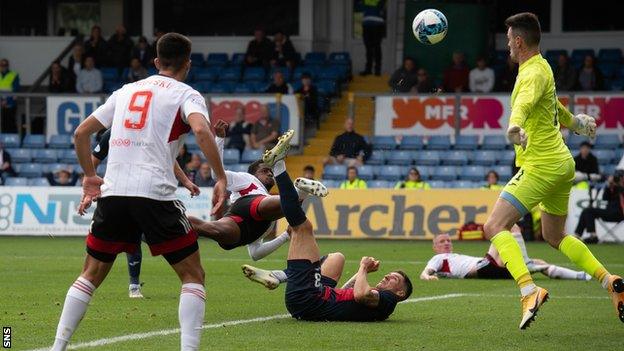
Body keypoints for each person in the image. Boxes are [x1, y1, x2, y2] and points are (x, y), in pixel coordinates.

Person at [50, 33, 228, 351]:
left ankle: (58, 346)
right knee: (192, 275)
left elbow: (81, 133)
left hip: (114, 192)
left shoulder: (126, 91)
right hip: (154, 194)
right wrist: (220, 177)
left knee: (90, 275)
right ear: (188, 64)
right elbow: (202, 130)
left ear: (156, 62)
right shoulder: (187, 93)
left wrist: (91, 177)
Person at [481, 12, 622, 330]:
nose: (507, 47)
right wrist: (574, 122)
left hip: (541, 166)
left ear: (518, 41)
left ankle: (528, 290)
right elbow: (551, 105)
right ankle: (609, 280)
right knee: (554, 235)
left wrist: (514, 125)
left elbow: (525, 104)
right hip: (562, 165)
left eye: (508, 41)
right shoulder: (542, 67)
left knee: (494, 226)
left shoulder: (529, 74)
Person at [242, 135, 413, 321]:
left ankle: (278, 166)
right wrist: (361, 273)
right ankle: (280, 275)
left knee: (302, 227)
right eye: (389, 275)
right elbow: (347, 292)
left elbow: (361, 295)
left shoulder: (387, 299)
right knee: (336, 258)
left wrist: (363, 267)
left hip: (307, 300)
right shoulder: (379, 300)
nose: (386, 277)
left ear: (400, 293)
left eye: (393, 280)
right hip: (317, 296)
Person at [91, 127, 201, 298]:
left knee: (142, 238)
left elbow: (168, 158)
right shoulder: (113, 133)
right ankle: (134, 285)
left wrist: (186, 181)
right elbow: (94, 159)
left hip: (148, 193)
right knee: (130, 240)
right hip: (123, 193)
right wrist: (90, 184)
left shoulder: (151, 130)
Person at [189, 124, 328, 261]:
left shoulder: (271, 208)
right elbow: (216, 174)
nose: (269, 174)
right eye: (264, 171)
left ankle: (180, 223)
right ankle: (294, 184)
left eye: (271, 171)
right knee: (288, 205)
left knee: (210, 230)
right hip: (242, 212)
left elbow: (255, 254)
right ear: (253, 174)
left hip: (242, 234)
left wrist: (285, 235)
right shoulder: (247, 179)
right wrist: (219, 138)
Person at [420, 230, 591, 281]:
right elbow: (425, 272)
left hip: (490, 268)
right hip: (482, 269)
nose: (447, 243)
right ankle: (525, 262)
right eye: (442, 241)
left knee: (539, 263)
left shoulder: (453, 256)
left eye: (448, 240)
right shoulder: (438, 258)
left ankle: (581, 276)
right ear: (435, 247)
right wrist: (428, 277)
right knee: (503, 228)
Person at [575, 171, 624, 244]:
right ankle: (578, 235)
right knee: (587, 211)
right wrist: (609, 186)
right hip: (610, 212)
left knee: (589, 211)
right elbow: (605, 198)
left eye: (620, 177)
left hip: (620, 213)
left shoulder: (621, 187)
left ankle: (592, 236)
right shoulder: (613, 187)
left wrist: (619, 185)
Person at [359, 0, 386, 76]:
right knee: (368, 48)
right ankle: (368, 70)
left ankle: (377, 70)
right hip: (366, 24)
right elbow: (359, 7)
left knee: (377, 47)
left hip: (377, 25)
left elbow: (381, 5)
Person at [0, 58, 20, 133]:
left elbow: (15, 90)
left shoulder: (14, 75)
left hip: (10, 104)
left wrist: (6, 101)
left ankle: (13, 141)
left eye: (5, 65)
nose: (3, 66)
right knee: (3, 124)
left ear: (8, 66)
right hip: (1, 103)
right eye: (2, 65)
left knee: (10, 124)